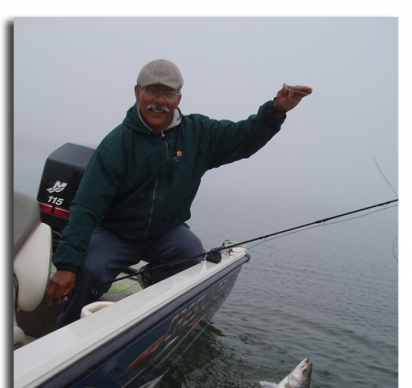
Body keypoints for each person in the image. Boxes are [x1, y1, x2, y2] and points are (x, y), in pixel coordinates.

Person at [46, 59, 312, 328]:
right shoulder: (117, 144)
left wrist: (276, 111)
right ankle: (65, 330)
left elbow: (243, 137)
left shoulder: (198, 133)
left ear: (178, 98)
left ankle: (153, 317)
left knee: (191, 254)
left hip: (166, 232)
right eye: (152, 91)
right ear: (137, 92)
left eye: (168, 93)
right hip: (117, 233)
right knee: (88, 269)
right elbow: (87, 205)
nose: (159, 101)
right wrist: (67, 264)